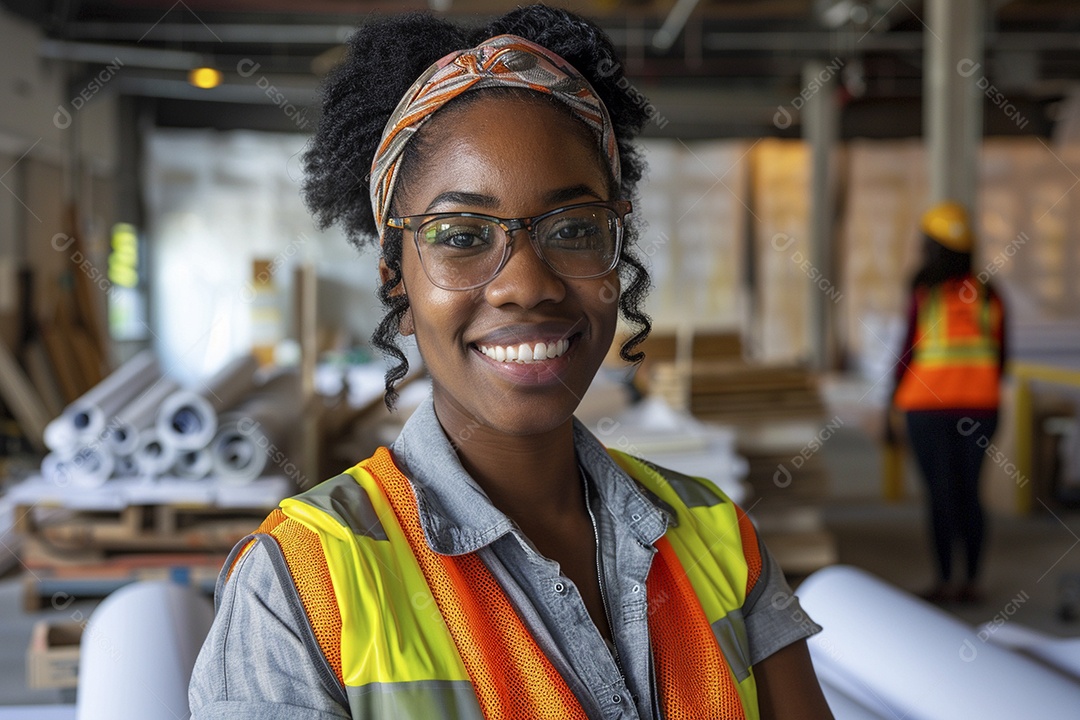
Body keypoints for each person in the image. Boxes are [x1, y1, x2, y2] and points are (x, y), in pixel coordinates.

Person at [189, 6, 833, 718]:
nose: (526, 284)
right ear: (394, 276)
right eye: (461, 235)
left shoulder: (718, 539)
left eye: (575, 228)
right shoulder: (301, 587)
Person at [890, 200, 1007, 605]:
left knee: (941, 494)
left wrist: (891, 401)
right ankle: (971, 582)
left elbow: (906, 351)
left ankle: (943, 581)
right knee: (970, 493)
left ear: (932, 246)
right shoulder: (990, 294)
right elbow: (1002, 356)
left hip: (926, 409)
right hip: (980, 409)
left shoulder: (925, 292)